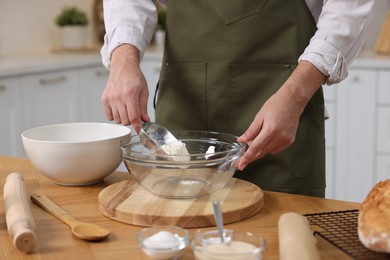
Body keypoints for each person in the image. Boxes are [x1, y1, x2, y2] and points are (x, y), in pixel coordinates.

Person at [100, 0, 374, 197]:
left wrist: (296, 94)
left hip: (282, 115)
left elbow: (347, 8)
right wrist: (123, 58)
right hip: (183, 108)